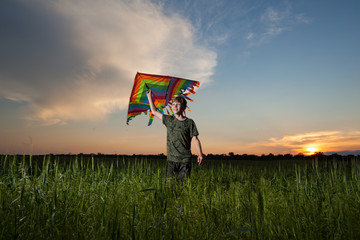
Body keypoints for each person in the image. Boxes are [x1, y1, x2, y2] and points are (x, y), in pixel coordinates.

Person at [146, 89, 204, 181]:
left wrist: (200, 154)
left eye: (178, 104)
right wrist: (149, 96)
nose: (175, 106)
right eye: (173, 104)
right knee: (169, 185)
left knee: (183, 185)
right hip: (171, 159)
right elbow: (154, 111)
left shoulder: (190, 122)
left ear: (184, 107)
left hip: (185, 160)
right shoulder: (169, 120)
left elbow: (195, 139)